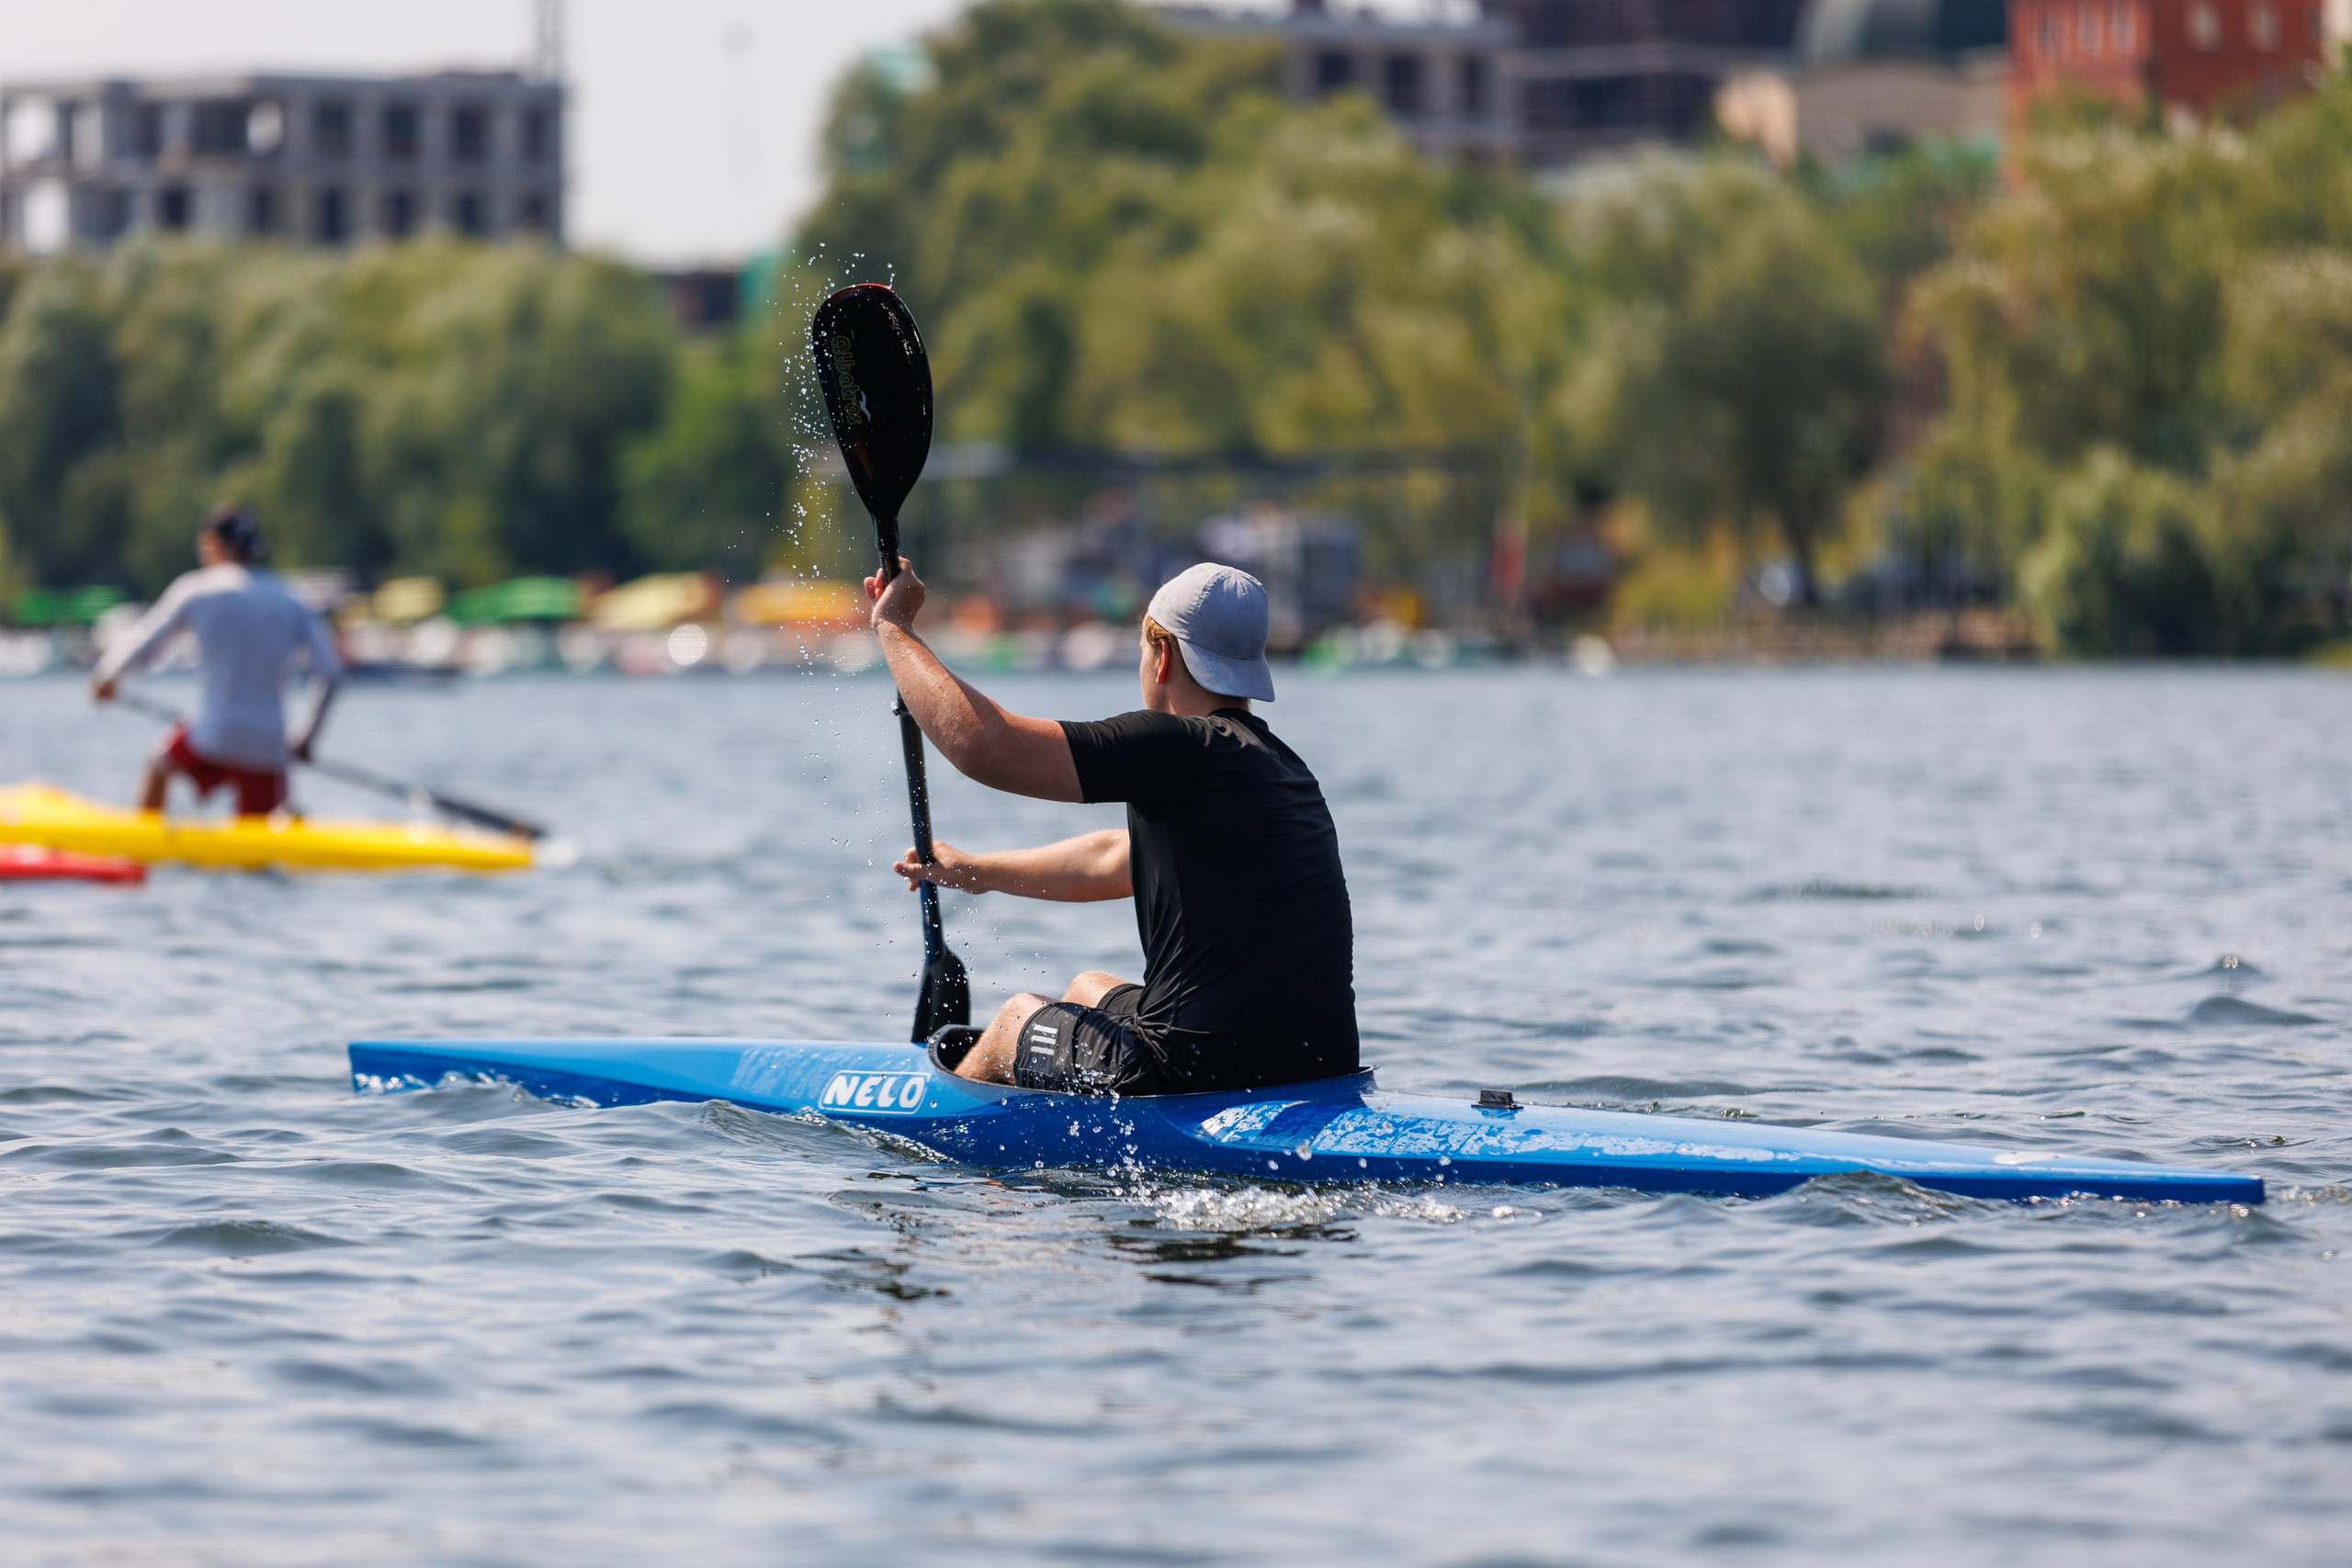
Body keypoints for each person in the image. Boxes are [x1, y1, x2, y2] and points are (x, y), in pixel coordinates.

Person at [869, 558, 1357, 1096]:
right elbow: (1113, 859)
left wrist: (894, 628)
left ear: (1163, 655)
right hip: (1317, 1069)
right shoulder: (1281, 768)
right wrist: (975, 871)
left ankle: (939, 1133)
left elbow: (984, 745)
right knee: (1086, 988)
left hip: (1198, 1070)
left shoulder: (1175, 745)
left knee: (1012, 1022)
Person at [91, 505, 341, 818]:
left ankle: (140, 854)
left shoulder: (197, 589)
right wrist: (306, 738)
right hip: (268, 748)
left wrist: (106, 677)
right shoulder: (291, 599)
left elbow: (146, 643)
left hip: (213, 737)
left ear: (213, 545)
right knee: (258, 842)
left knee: (158, 762)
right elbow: (330, 673)